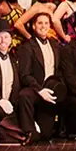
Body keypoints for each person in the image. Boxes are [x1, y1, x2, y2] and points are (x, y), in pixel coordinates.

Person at [18, 12, 66, 142]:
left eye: (46, 23)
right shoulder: (27, 47)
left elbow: (60, 71)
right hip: (36, 89)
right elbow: (25, 75)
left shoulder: (55, 45)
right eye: (40, 23)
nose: (43, 26)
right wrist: (40, 90)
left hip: (51, 91)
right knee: (24, 95)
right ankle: (29, 130)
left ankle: (62, 128)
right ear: (33, 26)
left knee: (45, 135)